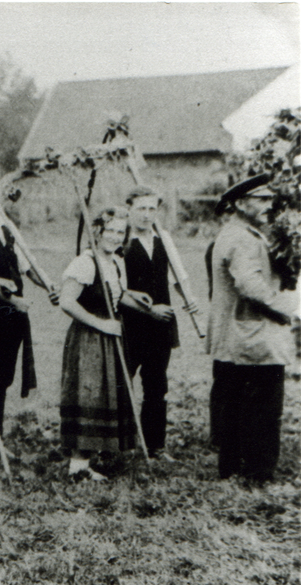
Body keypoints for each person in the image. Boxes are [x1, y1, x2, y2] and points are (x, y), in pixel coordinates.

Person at [208, 174, 296, 484]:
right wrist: (291, 307)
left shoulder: (241, 233)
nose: (268, 205)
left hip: (242, 337)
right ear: (240, 204)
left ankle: (233, 469)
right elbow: (250, 285)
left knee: (235, 405)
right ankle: (257, 474)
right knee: (261, 408)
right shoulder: (241, 237)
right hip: (251, 338)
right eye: (261, 199)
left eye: (269, 199)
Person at [59, 208, 144, 480]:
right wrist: (101, 324)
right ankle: (77, 466)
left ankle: (93, 458)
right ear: (97, 231)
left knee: (107, 393)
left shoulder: (115, 263)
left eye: (121, 232)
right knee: (89, 393)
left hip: (111, 336)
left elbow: (115, 296)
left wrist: (136, 300)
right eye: (110, 231)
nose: (115, 237)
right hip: (88, 339)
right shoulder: (85, 263)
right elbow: (67, 302)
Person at [0, 171, 57, 434]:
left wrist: (49, 285)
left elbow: (26, 266)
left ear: (0, 193)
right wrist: (14, 299)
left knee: (4, 376)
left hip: (14, 311)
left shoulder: (7, 226)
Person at [122, 187, 198, 461]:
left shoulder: (163, 239)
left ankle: (155, 446)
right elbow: (113, 285)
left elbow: (179, 275)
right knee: (121, 382)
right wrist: (146, 308)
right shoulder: (121, 240)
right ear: (129, 209)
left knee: (156, 385)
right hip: (129, 324)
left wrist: (189, 299)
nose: (146, 215)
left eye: (152, 209)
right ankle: (121, 444)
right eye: (140, 208)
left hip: (161, 325)